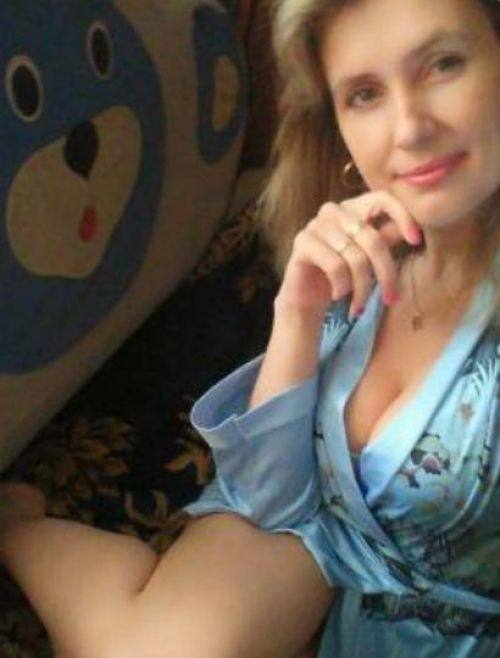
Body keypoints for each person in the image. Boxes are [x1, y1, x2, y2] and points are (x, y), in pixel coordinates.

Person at [1, 0, 499, 656]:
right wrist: (298, 310)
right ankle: (20, 531)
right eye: (365, 94)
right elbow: (271, 496)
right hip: (325, 538)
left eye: (443, 64)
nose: (409, 127)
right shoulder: (367, 250)